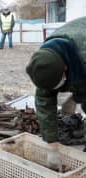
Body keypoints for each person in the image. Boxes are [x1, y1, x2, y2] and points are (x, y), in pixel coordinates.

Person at [26, 17, 86, 151]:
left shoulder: (82, 56)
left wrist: (77, 97)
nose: (55, 89)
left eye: (57, 83)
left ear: (65, 68)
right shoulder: (45, 62)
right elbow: (44, 101)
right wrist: (51, 143)